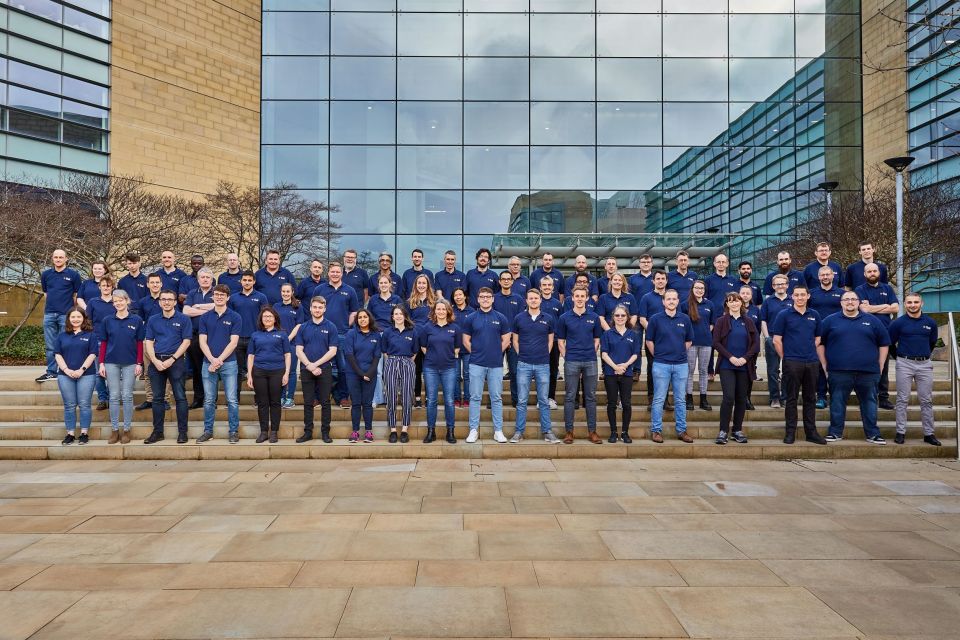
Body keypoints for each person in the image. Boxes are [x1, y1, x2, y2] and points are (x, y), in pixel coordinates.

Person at [818, 291, 891, 444]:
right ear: (841, 302)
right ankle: (835, 432)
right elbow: (820, 343)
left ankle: (873, 433)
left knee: (870, 403)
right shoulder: (829, 321)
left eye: (853, 299)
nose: (850, 302)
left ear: (858, 302)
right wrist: (825, 365)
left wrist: (881, 364)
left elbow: (884, 343)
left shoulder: (872, 320)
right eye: (846, 299)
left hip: (868, 372)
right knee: (837, 402)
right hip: (838, 371)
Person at [771, 285, 828, 445]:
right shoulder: (784, 315)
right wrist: (786, 358)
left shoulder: (814, 315)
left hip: (811, 362)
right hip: (792, 362)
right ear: (792, 297)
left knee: (810, 398)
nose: (800, 297)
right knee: (791, 399)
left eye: (803, 294)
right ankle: (790, 433)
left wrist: (809, 352)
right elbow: (777, 339)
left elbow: (817, 339)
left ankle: (811, 432)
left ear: (808, 296)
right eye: (797, 295)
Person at [889, 292, 941, 446]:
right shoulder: (898, 323)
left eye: (916, 302)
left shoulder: (930, 323)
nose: (913, 305)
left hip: (924, 365)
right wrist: (899, 356)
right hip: (904, 363)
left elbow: (931, 343)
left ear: (921, 304)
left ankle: (929, 433)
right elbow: (891, 343)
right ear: (905, 304)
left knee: (926, 400)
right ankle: (900, 432)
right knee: (902, 399)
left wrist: (922, 356)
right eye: (909, 302)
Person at [646, 289, 695, 443]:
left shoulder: (685, 319)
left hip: (680, 365)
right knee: (659, 399)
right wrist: (660, 355)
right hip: (661, 364)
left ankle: (681, 430)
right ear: (663, 301)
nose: (671, 301)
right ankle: (656, 431)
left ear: (678, 301)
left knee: (680, 399)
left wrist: (678, 352)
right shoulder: (655, 319)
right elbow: (649, 341)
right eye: (668, 299)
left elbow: (688, 341)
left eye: (674, 299)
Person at [143, 289, 192, 444]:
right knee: (157, 399)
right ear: (159, 302)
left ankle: (182, 432)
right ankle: (158, 432)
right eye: (163, 299)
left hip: (175, 362)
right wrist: (154, 360)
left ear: (175, 302)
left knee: (180, 397)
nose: (166, 302)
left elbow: (186, 341)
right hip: (156, 361)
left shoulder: (184, 319)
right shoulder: (153, 320)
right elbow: (149, 342)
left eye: (170, 299)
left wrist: (173, 358)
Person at [463, 287, 510, 443]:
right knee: (475, 397)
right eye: (482, 296)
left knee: (496, 398)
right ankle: (473, 430)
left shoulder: (501, 318)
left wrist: (497, 353)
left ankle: (498, 431)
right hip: (476, 363)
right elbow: (465, 340)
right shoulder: (470, 318)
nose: (485, 299)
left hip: (495, 364)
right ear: (478, 299)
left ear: (492, 298)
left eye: (488, 296)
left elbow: (506, 340)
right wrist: (475, 353)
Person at [556, 286, 603, 444]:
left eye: (583, 296)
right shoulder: (564, 317)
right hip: (572, 361)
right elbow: (560, 341)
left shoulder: (594, 317)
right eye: (577, 296)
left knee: (591, 397)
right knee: (570, 397)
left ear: (587, 298)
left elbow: (597, 339)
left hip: (590, 361)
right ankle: (569, 431)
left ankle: (592, 431)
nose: (580, 298)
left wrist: (592, 352)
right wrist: (566, 356)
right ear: (572, 298)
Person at [98, 290, 144, 443]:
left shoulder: (136, 320)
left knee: (127, 395)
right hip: (111, 362)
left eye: (120, 300)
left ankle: (126, 429)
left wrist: (139, 363)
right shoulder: (107, 320)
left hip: (130, 362)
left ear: (127, 301)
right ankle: (115, 430)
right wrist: (101, 363)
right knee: (114, 396)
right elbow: (103, 343)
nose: (118, 303)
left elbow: (139, 344)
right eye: (115, 301)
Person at [712, 292, 759, 444]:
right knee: (729, 397)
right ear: (727, 304)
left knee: (741, 398)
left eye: (736, 300)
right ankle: (723, 431)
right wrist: (731, 357)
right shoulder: (721, 321)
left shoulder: (749, 321)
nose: (734, 303)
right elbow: (716, 342)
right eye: (730, 301)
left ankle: (737, 430)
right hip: (727, 365)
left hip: (744, 366)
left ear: (741, 303)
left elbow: (755, 344)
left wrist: (745, 358)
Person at [197, 285, 241, 443]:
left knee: (232, 399)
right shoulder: (205, 317)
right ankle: (208, 431)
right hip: (207, 363)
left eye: (223, 295)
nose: (219, 297)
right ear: (212, 297)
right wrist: (212, 360)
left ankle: (234, 431)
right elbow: (202, 342)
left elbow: (233, 343)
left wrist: (218, 360)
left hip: (229, 363)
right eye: (216, 294)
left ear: (228, 297)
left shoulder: (235, 317)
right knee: (209, 399)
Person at [314, 262, 361, 409]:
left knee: (343, 368)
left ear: (342, 273)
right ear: (328, 273)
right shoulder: (319, 289)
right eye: (332, 272)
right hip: (321, 333)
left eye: (337, 272)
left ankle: (343, 397)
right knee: (321, 366)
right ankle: (319, 397)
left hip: (342, 334)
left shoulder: (350, 290)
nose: (335, 274)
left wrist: (347, 326)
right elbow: (314, 309)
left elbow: (354, 311)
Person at [512, 288, 556, 443]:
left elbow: (551, 340)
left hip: (543, 364)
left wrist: (545, 354)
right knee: (522, 400)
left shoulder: (548, 318)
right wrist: (521, 354)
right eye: (530, 298)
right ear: (526, 300)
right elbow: (515, 340)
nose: (533, 300)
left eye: (536, 298)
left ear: (540, 300)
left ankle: (547, 431)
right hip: (523, 363)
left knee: (544, 400)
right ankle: (518, 432)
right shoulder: (519, 318)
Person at [294, 296, 338, 443]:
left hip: (324, 369)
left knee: (325, 402)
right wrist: (309, 365)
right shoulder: (303, 327)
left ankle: (325, 432)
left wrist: (316, 365)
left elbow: (333, 351)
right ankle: (308, 432)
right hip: (307, 369)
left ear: (324, 309)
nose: (317, 310)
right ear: (311, 308)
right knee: (308, 402)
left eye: (320, 307)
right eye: (315, 307)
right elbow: (298, 350)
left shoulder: (331, 327)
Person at [855, 263, 899, 410]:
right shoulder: (859, 290)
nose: (872, 273)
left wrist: (872, 308)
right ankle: (868, 396)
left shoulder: (887, 288)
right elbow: (863, 310)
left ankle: (883, 397)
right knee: (866, 365)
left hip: (884, 333)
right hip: (866, 334)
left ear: (879, 272)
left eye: (874, 271)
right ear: (865, 274)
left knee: (883, 367)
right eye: (869, 271)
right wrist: (885, 307)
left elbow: (896, 307)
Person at [246, 307, 291, 443]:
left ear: (275, 318)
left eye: (270, 316)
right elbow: (251, 356)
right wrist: (249, 375)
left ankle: (274, 432)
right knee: (262, 403)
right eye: (265, 316)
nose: (267, 319)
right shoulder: (255, 335)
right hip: (259, 371)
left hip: (277, 371)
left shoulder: (282, 334)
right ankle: (264, 431)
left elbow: (287, 355)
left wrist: (287, 373)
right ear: (261, 319)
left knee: (275, 402)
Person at [420, 299, 461, 444]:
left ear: (448, 311)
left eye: (444, 309)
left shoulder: (455, 328)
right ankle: (431, 432)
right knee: (431, 400)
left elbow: (457, 349)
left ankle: (450, 431)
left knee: (449, 401)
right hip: (430, 368)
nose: (441, 311)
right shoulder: (427, 327)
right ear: (434, 311)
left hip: (449, 368)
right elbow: (423, 347)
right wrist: (434, 357)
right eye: (439, 309)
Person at [54, 307, 97, 445]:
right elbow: (57, 354)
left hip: (86, 374)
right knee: (69, 405)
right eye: (73, 317)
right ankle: (70, 434)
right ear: (68, 319)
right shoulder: (62, 336)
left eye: (79, 317)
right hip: (65, 375)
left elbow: (92, 354)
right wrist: (66, 370)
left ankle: (84, 433)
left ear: (84, 318)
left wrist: (81, 370)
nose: (76, 319)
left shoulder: (90, 335)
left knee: (84, 404)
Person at [38, 249, 82, 383]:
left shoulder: (73, 275)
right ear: (52, 259)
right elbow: (46, 293)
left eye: (61, 257)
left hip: (66, 315)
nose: (58, 259)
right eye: (56, 257)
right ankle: (51, 372)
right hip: (49, 314)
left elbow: (76, 295)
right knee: (50, 345)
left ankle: (65, 370)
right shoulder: (46, 274)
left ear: (66, 259)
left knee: (66, 344)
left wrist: (71, 312)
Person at [600, 304, 641, 443]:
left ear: (627, 317)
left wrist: (625, 365)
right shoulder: (607, 334)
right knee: (611, 403)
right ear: (613, 317)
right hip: (611, 373)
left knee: (626, 404)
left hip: (627, 373)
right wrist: (615, 367)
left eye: (623, 315)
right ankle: (613, 432)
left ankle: (624, 432)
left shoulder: (633, 334)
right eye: (617, 315)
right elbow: (604, 354)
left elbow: (636, 354)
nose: (620, 318)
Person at [342, 309, 381, 443]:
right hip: (353, 374)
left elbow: (377, 356)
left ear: (369, 318)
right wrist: (360, 374)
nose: (362, 319)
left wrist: (369, 373)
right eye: (360, 317)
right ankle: (355, 432)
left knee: (368, 404)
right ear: (357, 320)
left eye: (365, 317)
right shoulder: (351, 334)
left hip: (370, 374)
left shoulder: (376, 335)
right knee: (356, 403)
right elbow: (349, 355)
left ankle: (369, 432)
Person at [381, 306, 418, 443]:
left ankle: (404, 429)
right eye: (395, 314)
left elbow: (415, 351)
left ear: (405, 316)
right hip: (391, 362)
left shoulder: (412, 332)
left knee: (407, 397)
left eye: (401, 314)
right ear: (392, 316)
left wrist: (406, 362)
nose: (398, 316)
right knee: (391, 397)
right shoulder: (387, 332)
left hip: (407, 363)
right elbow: (384, 350)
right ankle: (392, 430)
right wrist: (394, 361)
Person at [809, 264, 844, 408]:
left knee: (837, 365)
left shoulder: (842, 294)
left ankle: (837, 396)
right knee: (819, 367)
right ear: (818, 277)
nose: (825, 277)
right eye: (822, 275)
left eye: (827, 274)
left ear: (833, 276)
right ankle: (821, 396)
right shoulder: (812, 293)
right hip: (817, 335)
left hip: (837, 335)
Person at [182, 267, 216, 409]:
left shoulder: (216, 292)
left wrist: (198, 307)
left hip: (213, 337)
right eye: (202, 277)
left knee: (211, 369)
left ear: (212, 279)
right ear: (198, 279)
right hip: (195, 336)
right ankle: (198, 398)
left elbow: (219, 307)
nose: (205, 279)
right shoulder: (192, 293)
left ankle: (211, 400)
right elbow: (185, 311)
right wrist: (206, 310)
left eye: (208, 277)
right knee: (197, 369)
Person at [135, 273, 169, 411]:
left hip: (165, 340)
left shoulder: (167, 300)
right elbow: (141, 321)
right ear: (148, 284)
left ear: (161, 284)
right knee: (148, 371)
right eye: (152, 282)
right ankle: (150, 399)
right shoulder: (143, 302)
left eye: (157, 282)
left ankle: (165, 399)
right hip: (148, 340)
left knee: (165, 371)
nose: (155, 285)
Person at [367, 273, 402, 408]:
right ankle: (377, 398)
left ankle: (390, 398)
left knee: (391, 370)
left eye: (385, 283)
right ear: (378, 285)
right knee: (377, 369)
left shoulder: (397, 299)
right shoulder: (374, 300)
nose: (383, 285)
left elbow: (401, 318)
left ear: (390, 284)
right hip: (376, 336)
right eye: (381, 283)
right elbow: (369, 318)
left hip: (391, 336)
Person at [228, 271, 269, 379]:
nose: (247, 282)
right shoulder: (233, 298)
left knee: (256, 370)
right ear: (241, 281)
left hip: (255, 337)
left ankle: (258, 395)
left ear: (254, 282)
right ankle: (236, 396)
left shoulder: (261, 297)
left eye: (249, 280)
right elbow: (230, 318)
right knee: (237, 371)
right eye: (244, 280)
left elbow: (266, 317)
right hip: (237, 338)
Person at [759, 274, 792, 408]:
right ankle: (774, 398)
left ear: (787, 285)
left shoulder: (793, 300)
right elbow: (763, 320)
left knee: (788, 370)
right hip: (772, 338)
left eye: (783, 283)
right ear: (773, 286)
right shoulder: (768, 301)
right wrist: (767, 337)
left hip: (789, 340)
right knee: (772, 370)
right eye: (777, 284)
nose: (780, 286)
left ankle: (785, 397)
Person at [681, 280, 714, 412]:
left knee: (703, 371)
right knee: (689, 371)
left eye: (702, 288)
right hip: (691, 343)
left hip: (706, 343)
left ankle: (703, 398)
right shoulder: (685, 305)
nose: (699, 290)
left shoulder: (709, 304)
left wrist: (705, 332)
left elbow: (712, 324)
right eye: (697, 288)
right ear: (692, 289)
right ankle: (689, 398)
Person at [637, 271, 669, 406]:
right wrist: (655, 331)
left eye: (663, 278)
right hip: (652, 339)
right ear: (653, 281)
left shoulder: (671, 297)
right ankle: (651, 398)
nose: (660, 281)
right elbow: (642, 319)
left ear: (666, 281)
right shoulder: (646, 298)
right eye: (658, 279)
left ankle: (665, 399)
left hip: (669, 341)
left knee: (666, 369)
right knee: (652, 368)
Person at [494, 270, 524, 408]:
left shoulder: (518, 299)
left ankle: (516, 400)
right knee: (495, 372)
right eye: (503, 279)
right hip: (496, 340)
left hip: (513, 340)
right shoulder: (494, 298)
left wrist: (513, 338)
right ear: (499, 282)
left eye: (508, 279)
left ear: (512, 281)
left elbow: (521, 321)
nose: (506, 281)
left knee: (514, 371)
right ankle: (494, 400)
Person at [86, 276, 117, 411]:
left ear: (112, 287)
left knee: (113, 372)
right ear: (99, 287)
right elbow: (87, 322)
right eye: (103, 285)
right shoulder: (93, 302)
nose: (106, 288)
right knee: (99, 372)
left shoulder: (117, 302)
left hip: (114, 341)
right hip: (97, 340)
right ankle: (102, 399)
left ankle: (113, 397)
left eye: (108, 285)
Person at [406, 273, 437, 408]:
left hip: (431, 340)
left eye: (424, 283)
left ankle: (430, 398)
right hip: (415, 340)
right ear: (415, 285)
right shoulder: (410, 302)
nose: (421, 285)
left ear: (428, 285)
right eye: (419, 283)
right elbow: (407, 321)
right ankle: (417, 397)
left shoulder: (434, 301)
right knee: (417, 370)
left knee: (430, 370)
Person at [273, 282, 301, 409]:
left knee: (291, 372)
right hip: (277, 344)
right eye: (283, 291)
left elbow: (299, 325)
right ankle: (281, 396)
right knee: (280, 371)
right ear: (281, 292)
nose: (285, 293)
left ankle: (290, 398)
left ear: (292, 292)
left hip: (292, 344)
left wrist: (288, 338)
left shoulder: (298, 307)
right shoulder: (276, 306)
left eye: (288, 291)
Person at [538, 276, 563, 410]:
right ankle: (541, 398)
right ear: (540, 287)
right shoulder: (536, 301)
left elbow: (561, 324)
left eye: (549, 285)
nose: (547, 287)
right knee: (539, 372)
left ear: (553, 288)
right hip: (538, 343)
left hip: (553, 342)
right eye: (544, 285)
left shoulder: (558, 304)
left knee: (553, 371)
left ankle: (551, 398)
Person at [450, 287, 474, 408]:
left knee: (467, 375)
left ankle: (467, 399)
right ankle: (456, 399)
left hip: (468, 348)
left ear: (465, 296)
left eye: (460, 295)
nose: (458, 297)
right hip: (453, 348)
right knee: (455, 375)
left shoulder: (472, 311)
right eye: (456, 295)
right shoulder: (451, 311)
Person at [739, 285, 761, 410]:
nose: (745, 295)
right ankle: (740, 398)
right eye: (743, 293)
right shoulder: (734, 307)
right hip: (738, 347)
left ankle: (747, 398)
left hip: (752, 348)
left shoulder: (756, 310)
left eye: (748, 293)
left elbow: (757, 329)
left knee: (749, 373)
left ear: (751, 296)